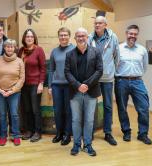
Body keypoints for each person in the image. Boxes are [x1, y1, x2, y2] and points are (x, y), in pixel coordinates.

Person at [65, 28, 103, 156]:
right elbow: (67, 72)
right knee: (76, 119)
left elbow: (99, 70)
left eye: (83, 36)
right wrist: (78, 85)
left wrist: (86, 84)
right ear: (75, 38)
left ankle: (87, 145)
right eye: (78, 36)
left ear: (87, 37)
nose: (81, 38)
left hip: (91, 91)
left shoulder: (96, 52)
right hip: (75, 92)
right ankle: (76, 145)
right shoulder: (69, 54)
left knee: (89, 120)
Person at [115, 25, 152, 145]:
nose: (133, 36)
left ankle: (143, 134)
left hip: (137, 81)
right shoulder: (118, 48)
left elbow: (144, 66)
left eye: (135, 34)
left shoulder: (142, 50)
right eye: (131, 33)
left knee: (144, 108)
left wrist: (136, 75)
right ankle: (126, 131)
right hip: (121, 81)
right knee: (122, 108)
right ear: (126, 33)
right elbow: (114, 65)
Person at [88, 16, 120, 146]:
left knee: (108, 106)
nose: (97, 25)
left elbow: (117, 57)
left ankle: (108, 132)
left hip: (107, 78)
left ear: (105, 25)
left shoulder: (113, 38)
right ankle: (90, 131)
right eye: (96, 23)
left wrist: (111, 71)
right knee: (91, 106)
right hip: (94, 78)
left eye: (100, 23)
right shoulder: (90, 38)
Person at [0, 39, 25, 146]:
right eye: (7, 46)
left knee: (14, 114)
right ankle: (3, 135)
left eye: (12, 46)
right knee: (2, 114)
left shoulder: (19, 61)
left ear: (15, 48)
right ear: (4, 48)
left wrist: (12, 91)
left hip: (14, 92)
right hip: (0, 92)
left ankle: (15, 135)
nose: (9, 48)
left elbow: (22, 78)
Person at [18, 29, 46, 142]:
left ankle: (37, 131)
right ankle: (28, 130)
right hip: (23, 84)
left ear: (34, 38)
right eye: (27, 36)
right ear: (24, 38)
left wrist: (41, 83)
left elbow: (43, 68)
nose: (29, 38)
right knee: (26, 109)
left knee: (35, 109)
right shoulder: (21, 51)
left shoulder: (39, 50)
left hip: (35, 84)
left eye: (31, 36)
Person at [48, 27, 74, 145]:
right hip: (56, 86)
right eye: (61, 35)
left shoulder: (74, 49)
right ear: (58, 37)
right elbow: (51, 70)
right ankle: (59, 133)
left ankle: (67, 134)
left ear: (69, 36)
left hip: (70, 86)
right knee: (57, 110)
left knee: (68, 111)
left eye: (65, 35)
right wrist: (49, 86)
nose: (63, 37)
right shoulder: (54, 51)